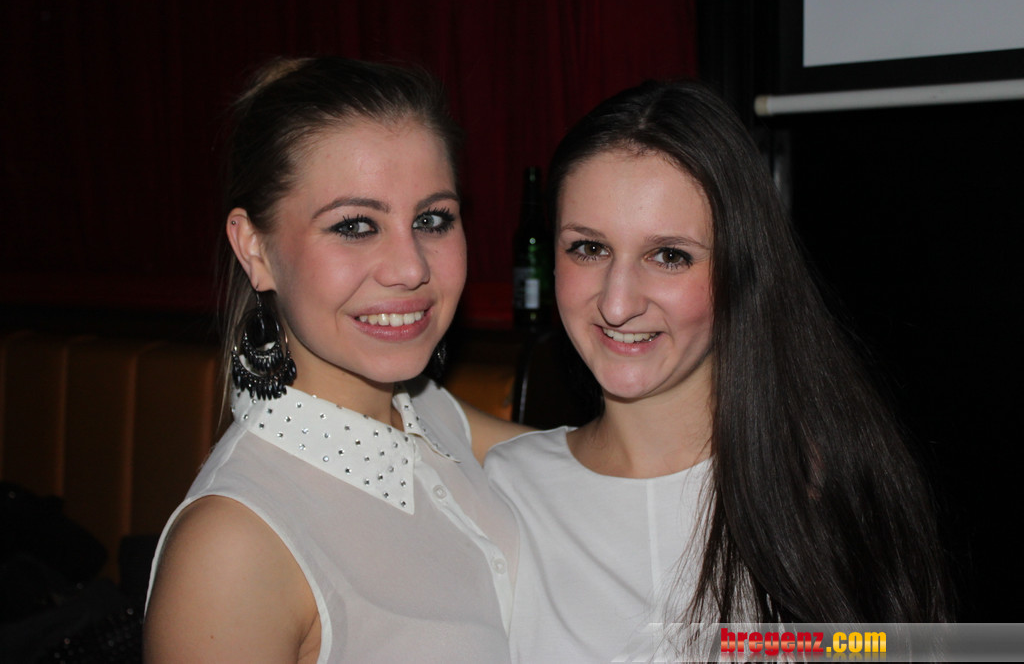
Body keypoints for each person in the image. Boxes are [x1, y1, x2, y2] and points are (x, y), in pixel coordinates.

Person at [484, 80, 951, 661]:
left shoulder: (827, 488)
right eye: (589, 248)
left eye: (669, 255)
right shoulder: (504, 493)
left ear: (740, 270)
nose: (618, 303)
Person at [144, 56, 522, 663]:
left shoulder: (429, 413)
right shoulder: (231, 549)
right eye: (355, 226)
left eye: (432, 219)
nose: (411, 268)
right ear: (255, 249)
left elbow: (588, 461)